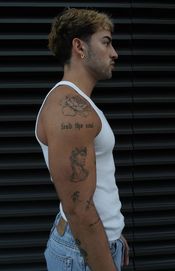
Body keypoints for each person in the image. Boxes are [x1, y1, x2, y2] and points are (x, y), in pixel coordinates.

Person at [35, 8, 129, 271]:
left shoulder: (80, 104)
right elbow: (79, 210)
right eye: (106, 42)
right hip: (82, 255)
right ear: (79, 46)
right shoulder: (69, 106)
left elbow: (96, 192)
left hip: (91, 246)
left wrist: (114, 236)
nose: (114, 53)